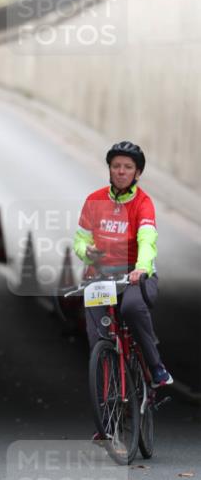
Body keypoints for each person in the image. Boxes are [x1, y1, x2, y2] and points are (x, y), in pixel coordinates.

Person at [73, 140, 173, 387]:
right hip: (101, 275)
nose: (120, 171)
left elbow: (147, 238)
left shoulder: (143, 203)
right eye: (116, 166)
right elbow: (80, 240)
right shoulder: (94, 200)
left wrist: (142, 267)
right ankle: (106, 413)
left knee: (130, 308)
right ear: (109, 169)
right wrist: (87, 251)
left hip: (135, 275)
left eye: (127, 167)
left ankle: (156, 366)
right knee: (98, 340)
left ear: (137, 173)